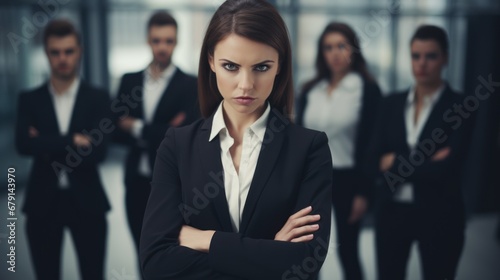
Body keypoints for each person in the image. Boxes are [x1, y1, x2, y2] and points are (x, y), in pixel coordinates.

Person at [139, 1, 333, 279]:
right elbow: (156, 263)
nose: (245, 85)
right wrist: (269, 252)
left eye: (261, 67)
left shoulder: (310, 149)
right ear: (210, 61)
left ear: (279, 66)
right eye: (230, 66)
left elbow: (304, 263)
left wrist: (206, 240)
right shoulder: (177, 145)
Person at [365, 25, 474, 280]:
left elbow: (448, 169)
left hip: (440, 215)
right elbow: (371, 160)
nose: (422, 63)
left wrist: (394, 162)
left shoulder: (462, 106)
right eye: (416, 56)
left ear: (445, 58)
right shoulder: (390, 103)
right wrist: (424, 161)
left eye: (431, 56)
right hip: (391, 213)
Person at [15, 19, 110, 280]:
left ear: (79, 51)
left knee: (93, 275)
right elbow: (23, 145)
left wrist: (44, 142)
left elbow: (99, 152)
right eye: (55, 52)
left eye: (69, 51)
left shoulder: (98, 99)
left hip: (88, 202)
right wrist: (72, 140)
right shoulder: (30, 99)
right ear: (46, 53)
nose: (62, 58)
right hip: (42, 203)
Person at [296, 22, 382, 280]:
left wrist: (364, 192)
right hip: (312, 180)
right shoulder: (311, 90)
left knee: (348, 251)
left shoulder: (367, 90)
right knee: (308, 252)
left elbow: (372, 146)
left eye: (341, 46)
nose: (335, 53)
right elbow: (300, 139)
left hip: (348, 179)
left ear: (353, 50)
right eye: (328, 47)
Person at [114, 10, 199, 255]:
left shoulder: (190, 85)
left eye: (169, 41)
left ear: (177, 42)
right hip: (135, 180)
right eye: (157, 40)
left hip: (173, 184)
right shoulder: (129, 81)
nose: (162, 47)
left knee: (171, 250)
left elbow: (184, 136)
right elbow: (114, 134)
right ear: (148, 41)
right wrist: (164, 130)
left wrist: (137, 127)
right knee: (141, 250)